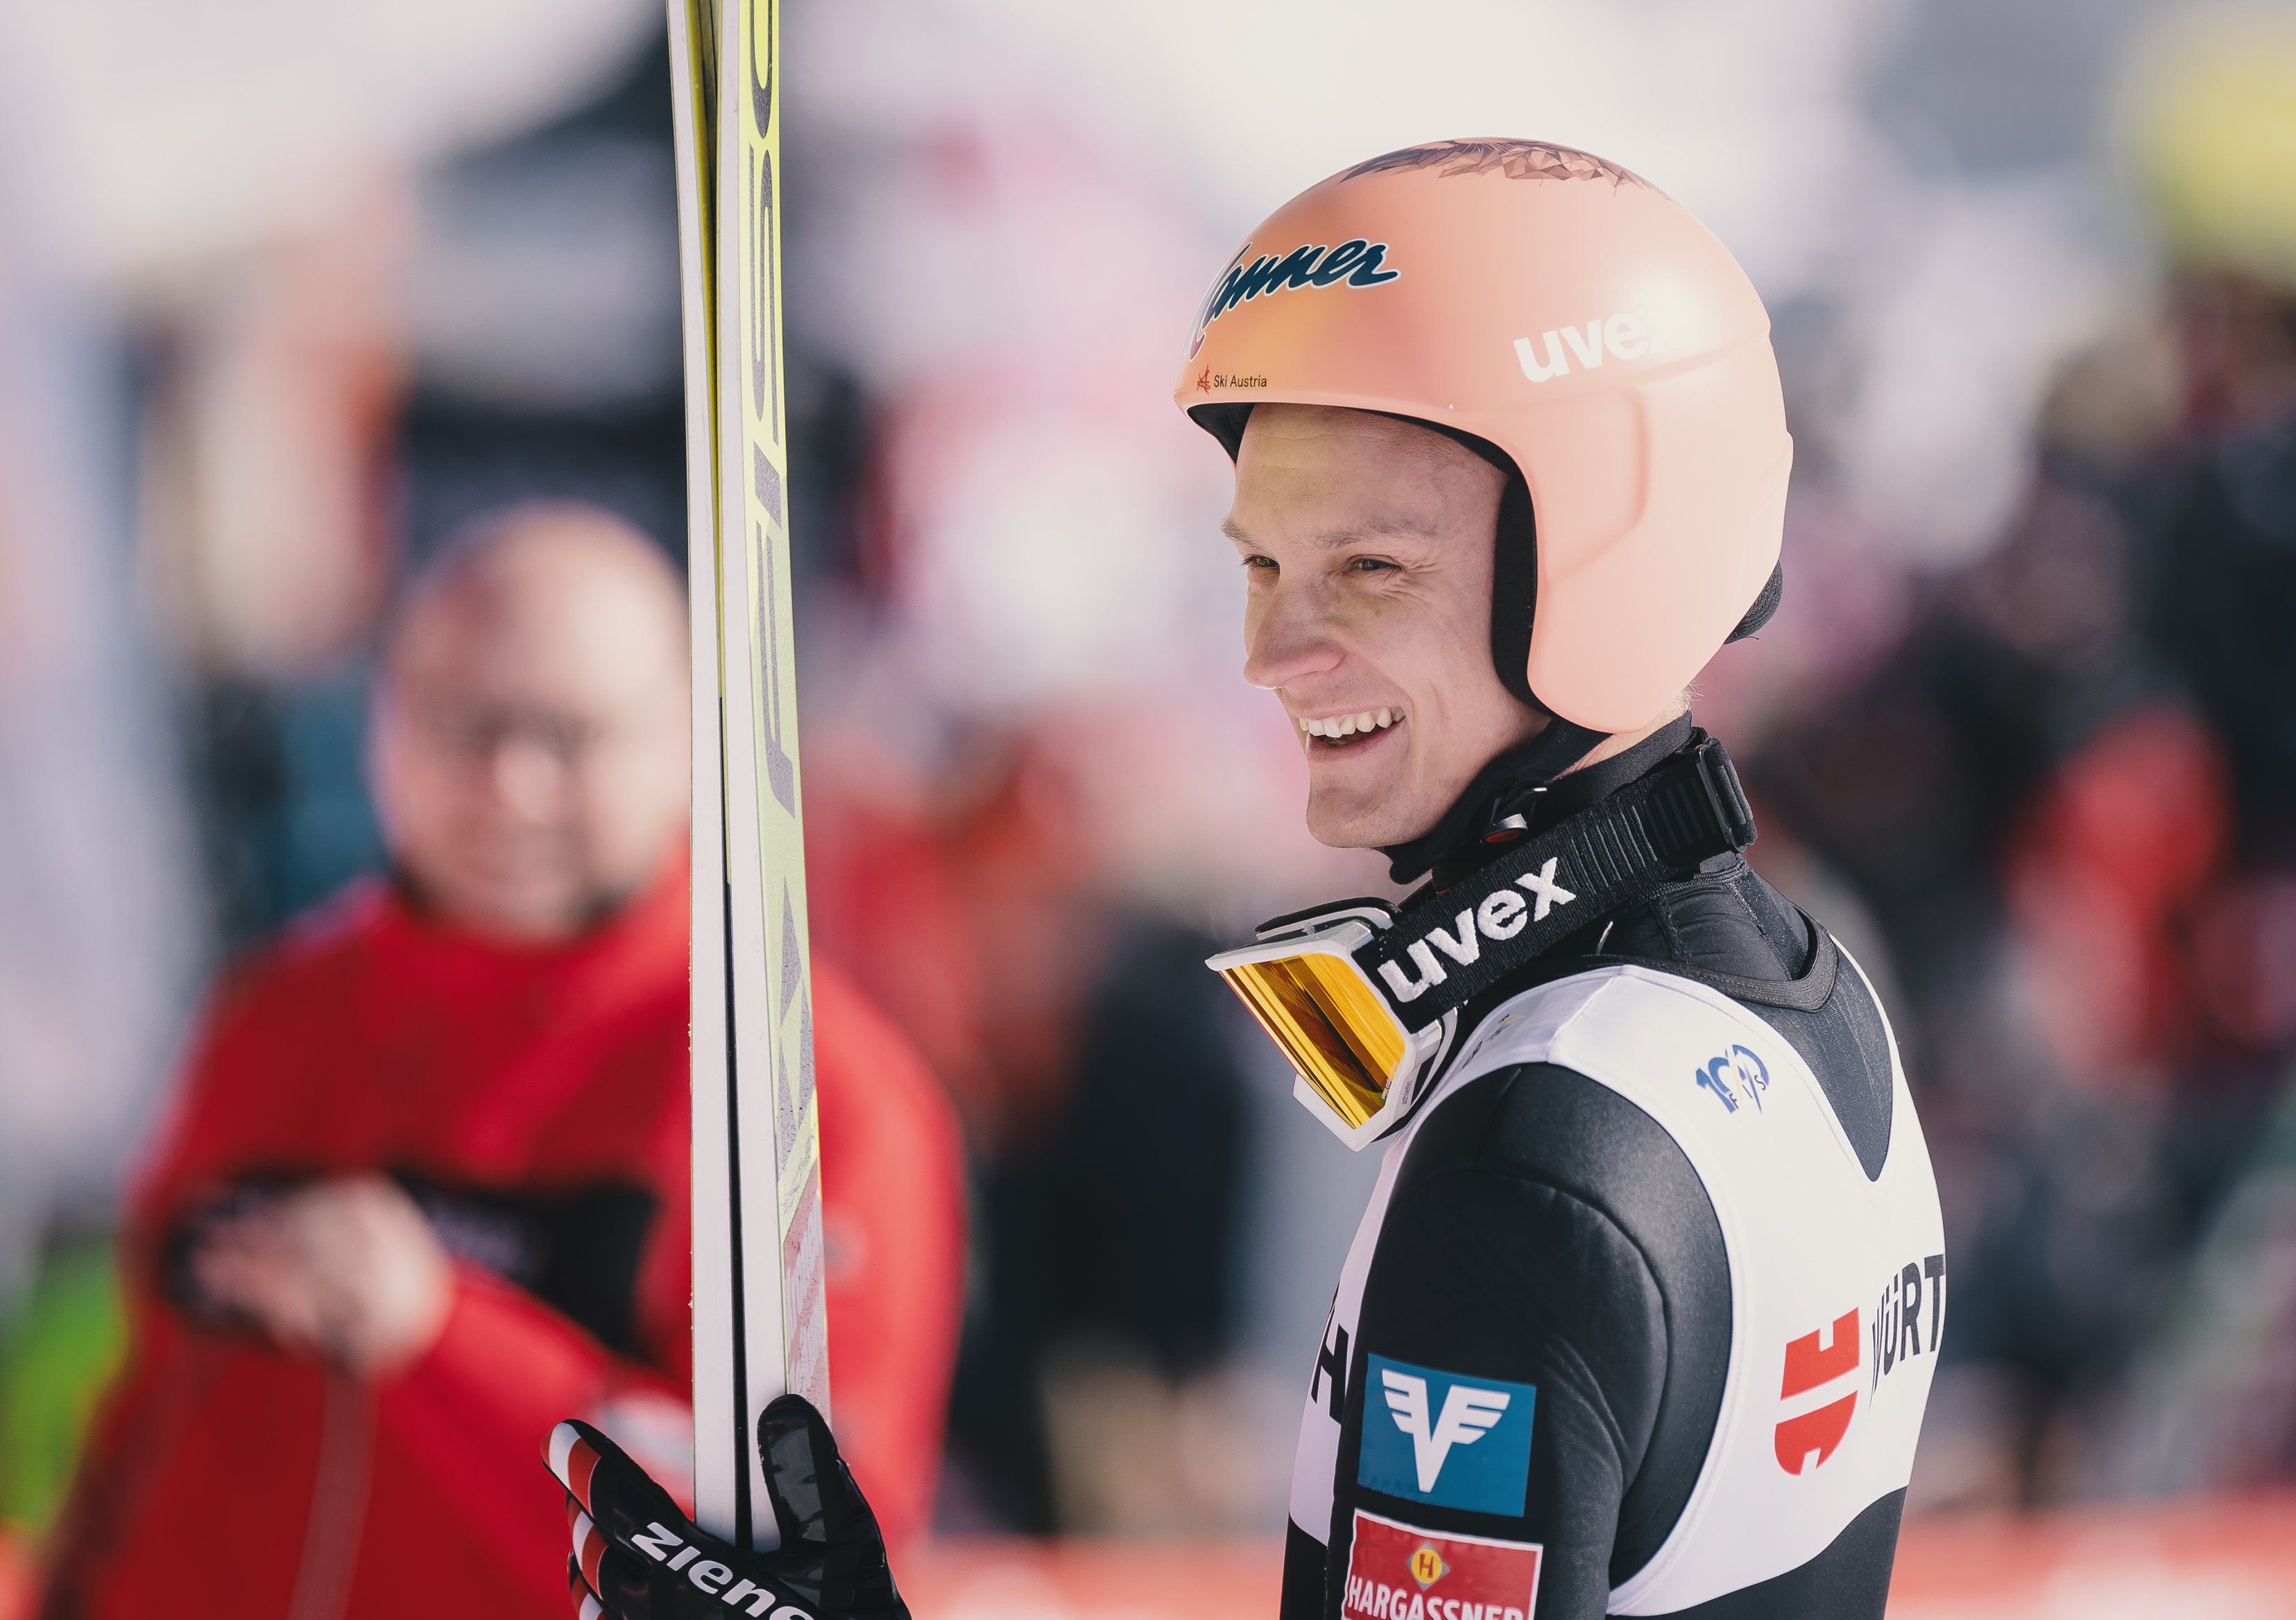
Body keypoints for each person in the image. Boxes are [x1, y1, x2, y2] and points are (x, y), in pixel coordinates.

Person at [555, 139, 1944, 1620]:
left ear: (1610, 556)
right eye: (1263, 568)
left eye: (1368, 570)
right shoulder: (1798, 996)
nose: (1271, 656)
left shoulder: (1544, 1154)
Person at [41, 505, 963, 1619]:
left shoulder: (809, 1096)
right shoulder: (277, 1018)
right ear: (382, 724)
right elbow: (144, 1419)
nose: (509, 784)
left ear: (688, 742)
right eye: (463, 723)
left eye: (569, 735)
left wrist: (440, 1337)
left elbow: (803, 1562)